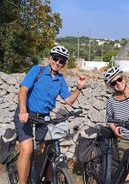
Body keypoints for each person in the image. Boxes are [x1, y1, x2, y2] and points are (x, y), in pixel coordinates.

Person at [14, 45, 86, 184]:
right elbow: (23, 91)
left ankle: (47, 180)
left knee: (49, 150)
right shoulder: (37, 70)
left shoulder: (60, 80)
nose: (57, 63)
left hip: (43, 117)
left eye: (61, 61)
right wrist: (23, 111)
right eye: (55, 58)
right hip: (26, 113)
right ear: (50, 58)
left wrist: (79, 87)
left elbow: (69, 100)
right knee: (28, 149)